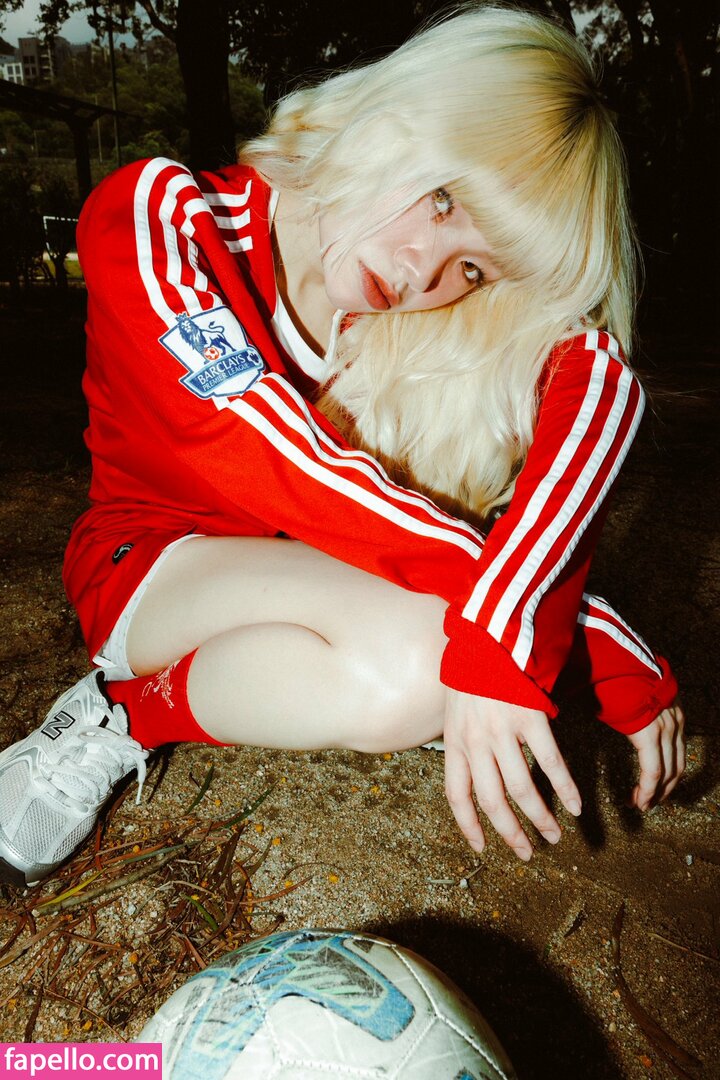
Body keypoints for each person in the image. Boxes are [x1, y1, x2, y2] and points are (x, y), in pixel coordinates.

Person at [0, 4, 685, 889]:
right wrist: (583, 635)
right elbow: (263, 454)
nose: (422, 270)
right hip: (151, 564)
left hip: (335, 570)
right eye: (443, 198)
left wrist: (515, 621)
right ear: (403, 115)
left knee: (420, 673)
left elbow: (599, 378)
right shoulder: (162, 214)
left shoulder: (409, 322)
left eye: (474, 267)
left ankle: (134, 713)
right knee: (452, 647)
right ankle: (104, 712)